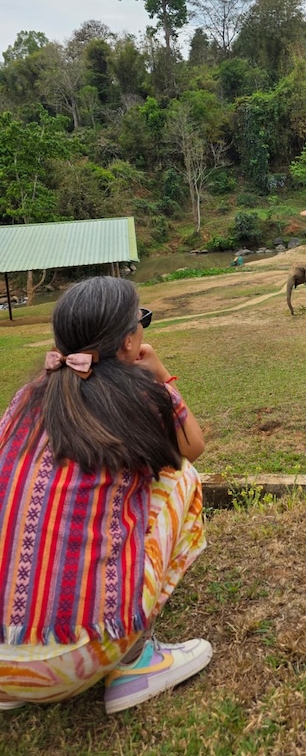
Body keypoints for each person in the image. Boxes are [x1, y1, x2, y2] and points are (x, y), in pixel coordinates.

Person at [0, 276, 211, 714]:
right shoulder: (138, 397)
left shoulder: (24, 399)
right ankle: (136, 659)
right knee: (181, 478)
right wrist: (159, 373)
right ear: (130, 341)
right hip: (76, 658)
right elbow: (192, 446)